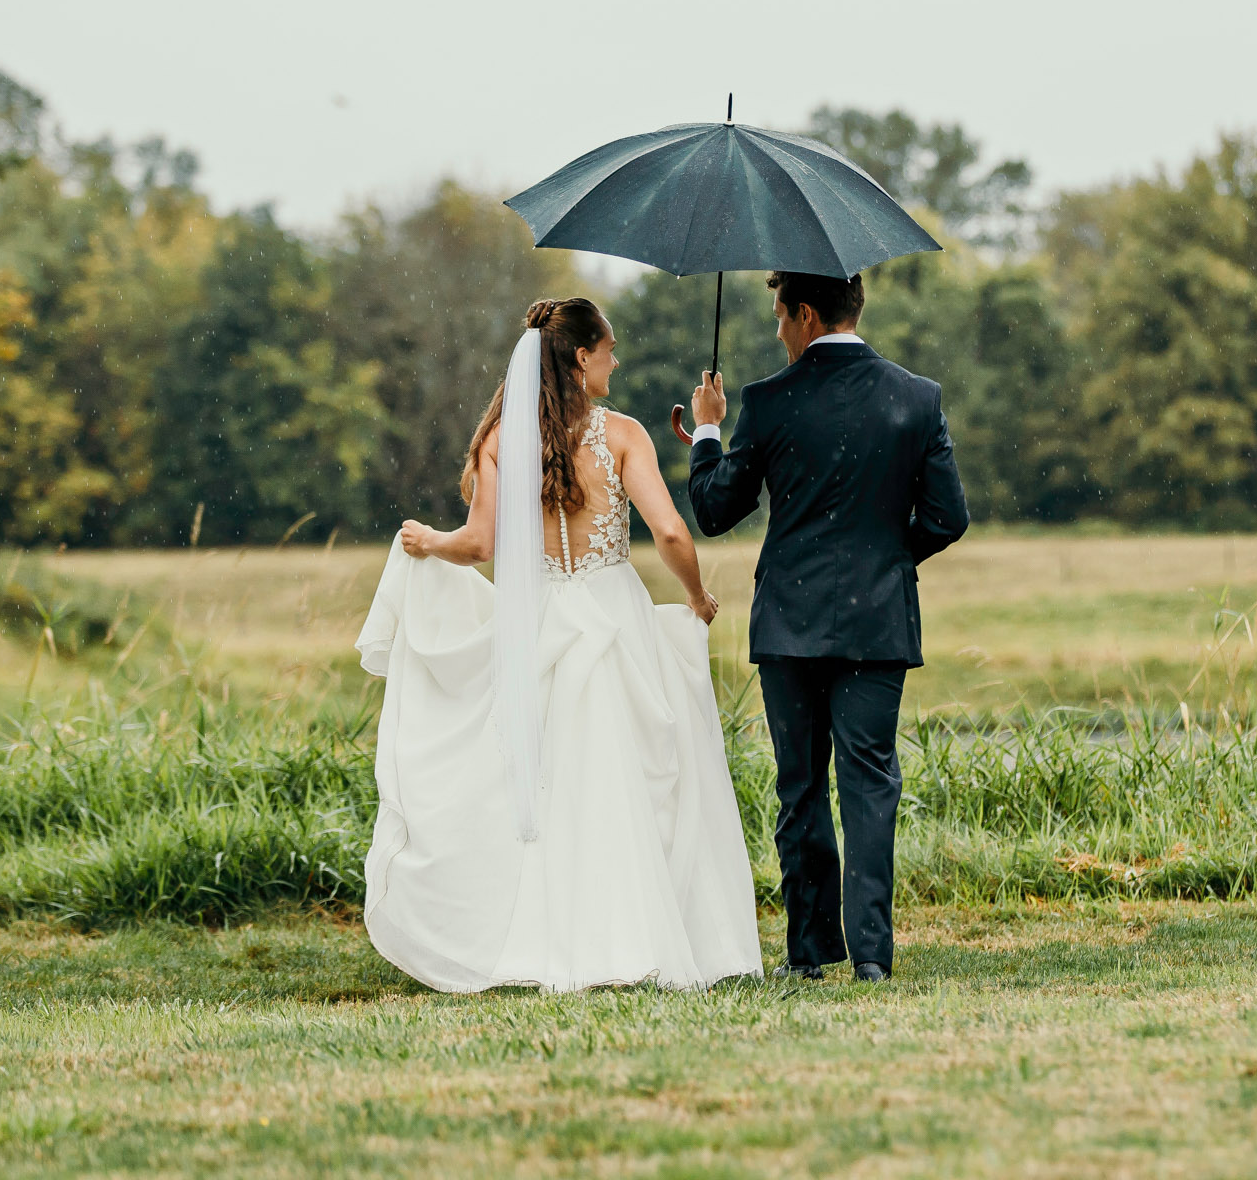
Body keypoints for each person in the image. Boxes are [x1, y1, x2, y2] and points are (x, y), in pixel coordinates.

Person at [355, 297, 762, 992]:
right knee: (636, 777)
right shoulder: (624, 435)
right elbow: (669, 533)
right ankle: (643, 933)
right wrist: (695, 597)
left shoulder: (501, 441)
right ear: (582, 356)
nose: (615, 360)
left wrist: (429, 541)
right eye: (608, 349)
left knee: (554, 784)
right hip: (612, 612)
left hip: (538, 619)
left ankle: (554, 937)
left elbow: (479, 545)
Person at [686, 270, 970, 982]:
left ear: (806, 315)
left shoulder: (770, 402)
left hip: (789, 624)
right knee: (872, 784)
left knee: (801, 787)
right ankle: (872, 956)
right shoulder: (918, 397)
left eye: (781, 317)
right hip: (880, 623)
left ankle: (808, 955)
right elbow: (948, 517)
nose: (778, 332)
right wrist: (886, 559)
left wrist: (709, 430)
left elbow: (716, 511)